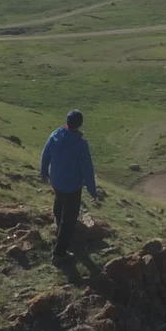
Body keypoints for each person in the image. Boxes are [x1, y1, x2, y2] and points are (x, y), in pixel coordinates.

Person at [39, 109, 102, 262]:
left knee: (59, 203)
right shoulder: (80, 144)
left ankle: (58, 228)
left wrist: (44, 173)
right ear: (80, 124)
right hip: (72, 186)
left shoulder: (55, 134)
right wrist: (93, 191)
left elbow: (45, 154)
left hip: (56, 180)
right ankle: (59, 254)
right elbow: (87, 168)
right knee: (69, 219)